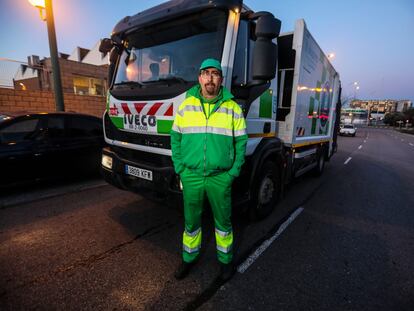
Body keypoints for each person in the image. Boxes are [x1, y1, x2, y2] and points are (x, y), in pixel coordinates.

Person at [170, 58, 247, 281]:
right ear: (200, 78)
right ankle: (188, 259)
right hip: (191, 176)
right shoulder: (186, 105)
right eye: (206, 73)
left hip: (220, 177)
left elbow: (241, 143)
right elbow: (175, 137)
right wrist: (180, 168)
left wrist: (232, 173)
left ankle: (225, 263)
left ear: (221, 79)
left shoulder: (232, 108)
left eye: (215, 73)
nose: (210, 77)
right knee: (191, 222)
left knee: (223, 223)